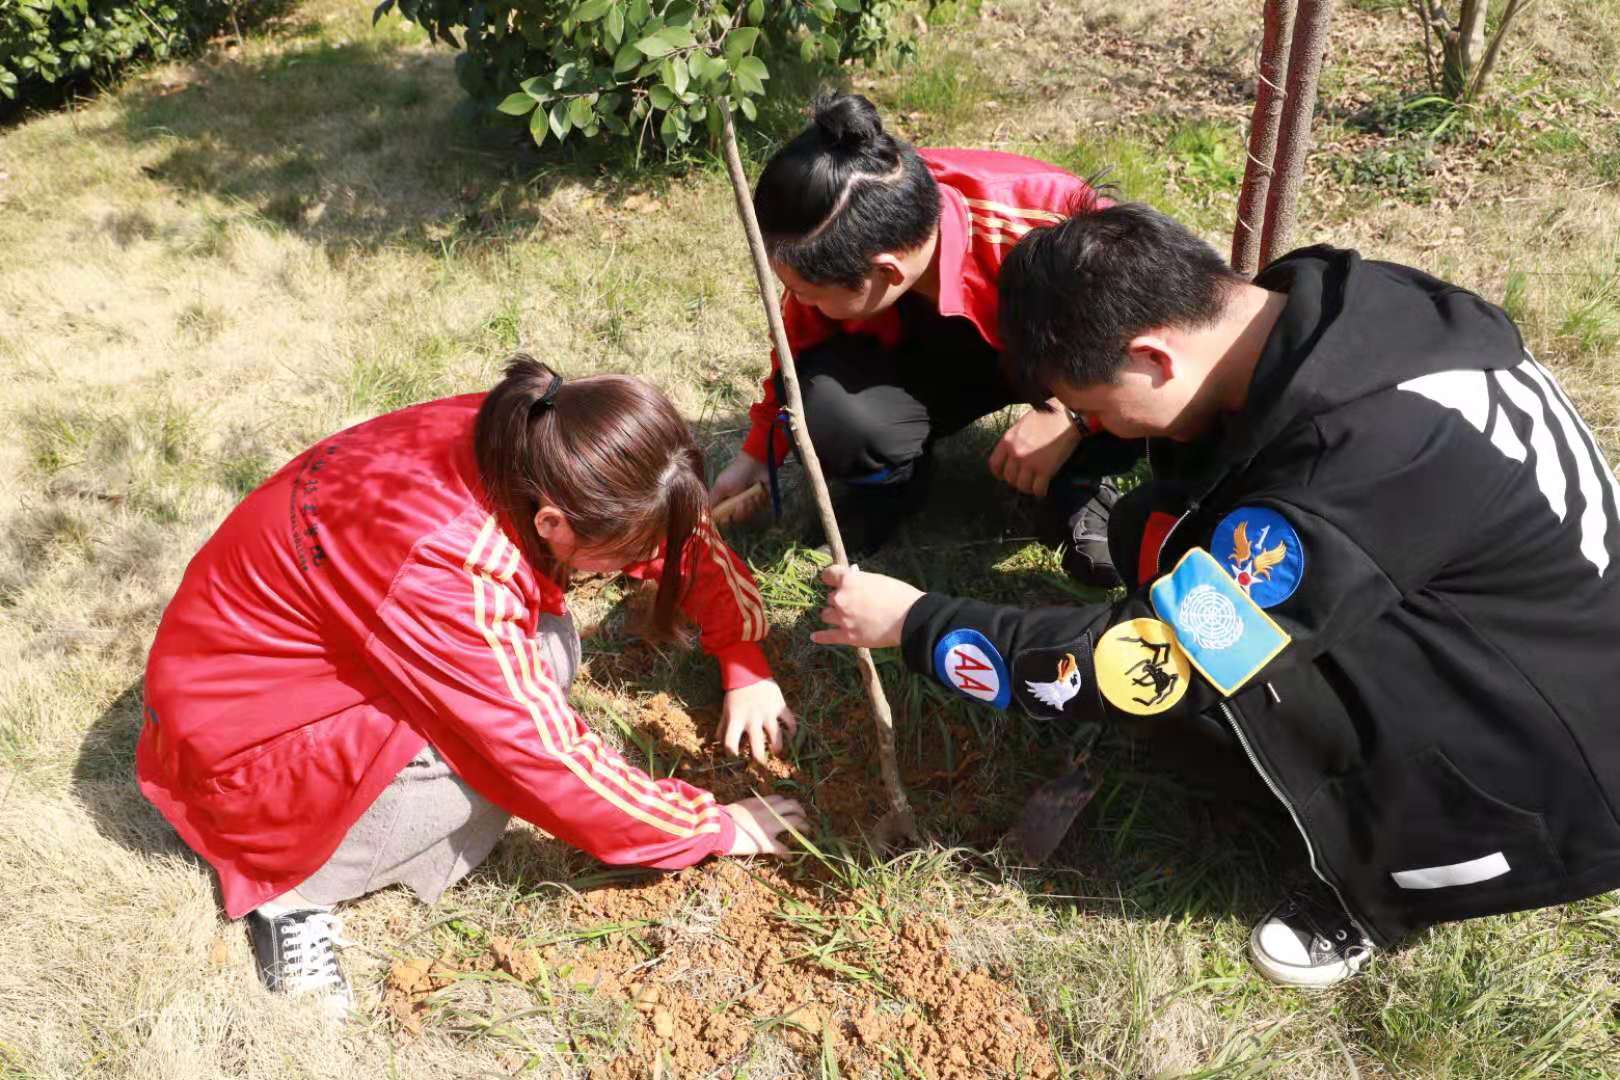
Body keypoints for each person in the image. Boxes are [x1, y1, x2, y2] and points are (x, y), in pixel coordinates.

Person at [811, 203, 1620, 988]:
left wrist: (917, 623)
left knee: (1217, 692)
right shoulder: (1321, 305)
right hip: (1527, 630)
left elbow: (1150, 660)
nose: (1106, 430)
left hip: (1550, 765)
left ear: (1153, 356)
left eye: (1095, 410)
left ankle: (1381, 881)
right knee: (1151, 527)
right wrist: (1091, 424)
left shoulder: (1364, 457)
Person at [138, 357, 807, 1012]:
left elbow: (665, 522)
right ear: (552, 523)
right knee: (478, 772)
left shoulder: (530, 431)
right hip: (244, 762)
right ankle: (295, 894)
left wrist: (742, 655)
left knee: (545, 650)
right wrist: (711, 827)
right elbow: (540, 759)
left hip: (252, 673)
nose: (635, 565)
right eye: (624, 557)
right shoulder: (451, 570)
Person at [706, 91, 1142, 583]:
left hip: (1060, 357)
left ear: (887, 272)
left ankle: (1078, 481)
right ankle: (890, 486)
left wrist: (1072, 417)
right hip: (944, 347)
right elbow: (795, 350)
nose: (798, 302)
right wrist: (757, 456)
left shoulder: (1052, 227)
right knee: (825, 405)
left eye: (809, 294)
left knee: (1124, 380)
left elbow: (1157, 336)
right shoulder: (835, 230)